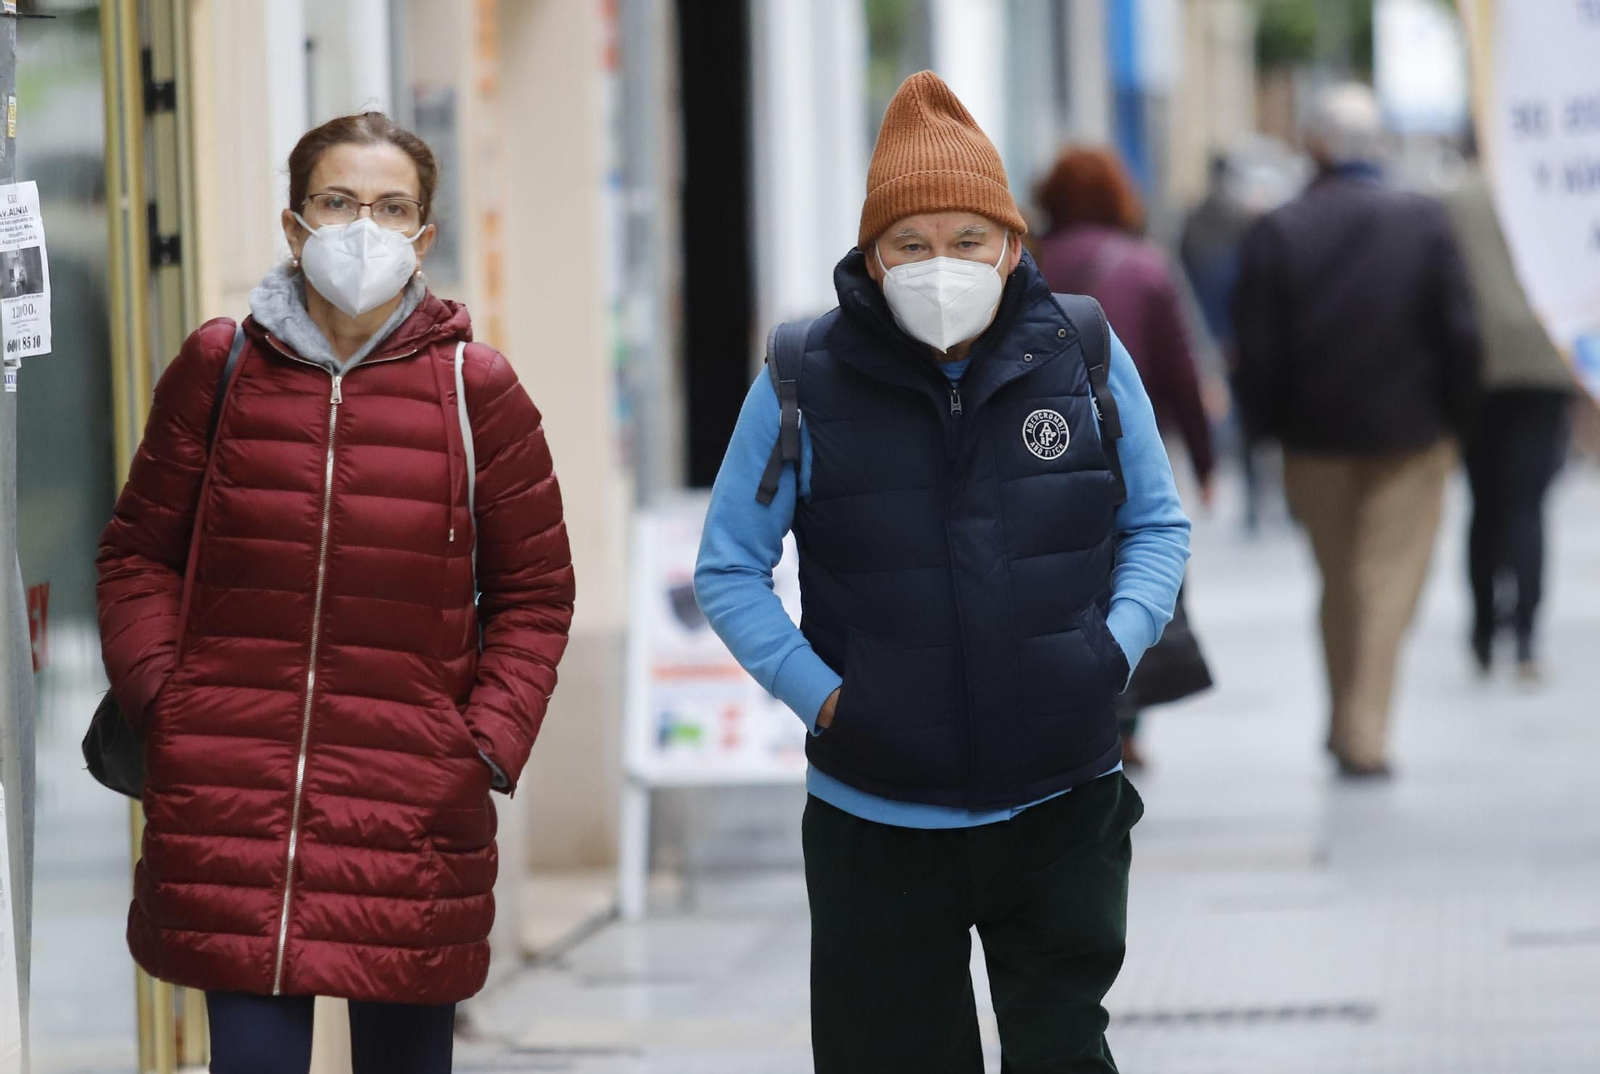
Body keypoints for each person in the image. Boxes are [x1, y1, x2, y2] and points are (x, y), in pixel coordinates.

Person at [695, 72, 1189, 1073]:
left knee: (1063, 1052)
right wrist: (825, 701)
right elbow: (729, 569)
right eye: (909, 245)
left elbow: (1157, 525)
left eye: (967, 240)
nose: (940, 266)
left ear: (1012, 244)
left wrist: (1109, 653)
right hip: (875, 817)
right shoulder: (801, 378)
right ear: (871, 257)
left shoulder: (1082, 352)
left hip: (1061, 801)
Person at [96, 112, 575, 1073]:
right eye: (338, 202)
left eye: (392, 208)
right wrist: (170, 702)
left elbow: (534, 593)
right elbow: (137, 554)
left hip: (409, 811)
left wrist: (478, 744)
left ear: (424, 237)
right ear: (294, 223)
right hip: (236, 796)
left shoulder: (475, 391)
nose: (364, 227)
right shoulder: (220, 367)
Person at [1233, 84, 1479, 779]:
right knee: (1386, 581)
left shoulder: (1279, 229)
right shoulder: (1422, 220)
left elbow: (1258, 349)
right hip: (1411, 436)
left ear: (1314, 144)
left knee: (1340, 582)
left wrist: (1263, 431)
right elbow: (1458, 332)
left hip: (1313, 439)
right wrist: (1459, 418)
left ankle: (1349, 719)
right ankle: (1362, 729)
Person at [1033, 146, 1217, 768]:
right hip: (1124, 452)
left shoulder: (1023, 264)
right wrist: (1206, 458)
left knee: (1053, 574)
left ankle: (1059, 711)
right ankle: (1125, 722)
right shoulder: (1145, 267)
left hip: (1034, 448)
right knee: (1132, 566)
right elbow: (1181, 372)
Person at [1441, 156, 1575, 679]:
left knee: (1485, 501)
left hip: (1476, 366)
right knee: (1528, 504)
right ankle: (1526, 635)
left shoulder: (1456, 197)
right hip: (1543, 364)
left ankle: (1480, 628)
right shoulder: (1550, 183)